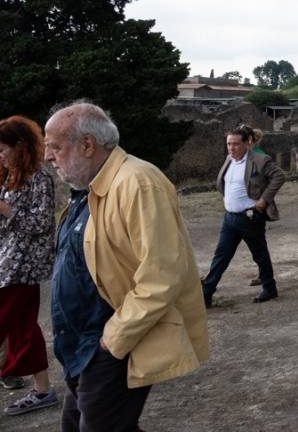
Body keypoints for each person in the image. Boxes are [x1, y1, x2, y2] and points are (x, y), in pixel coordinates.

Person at [44, 102, 208, 431]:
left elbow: (161, 277)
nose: (49, 157)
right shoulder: (86, 189)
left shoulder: (137, 183)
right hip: (81, 348)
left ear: (87, 145)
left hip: (108, 346)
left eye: (55, 148)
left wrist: (113, 341)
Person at [0, 116, 59, 416]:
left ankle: (30, 383)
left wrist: (4, 209)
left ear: (20, 146)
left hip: (22, 268)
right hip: (5, 264)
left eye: (2, 150)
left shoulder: (40, 178)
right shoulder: (11, 176)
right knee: (24, 328)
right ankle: (42, 390)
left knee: (15, 326)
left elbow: (41, 223)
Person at [201, 124, 286, 307]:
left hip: (250, 216)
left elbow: (279, 176)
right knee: (221, 255)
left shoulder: (260, 160)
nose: (231, 148)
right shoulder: (229, 159)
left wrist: (263, 200)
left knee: (259, 254)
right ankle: (206, 292)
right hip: (230, 217)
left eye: (236, 144)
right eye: (229, 144)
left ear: (247, 143)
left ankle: (269, 288)